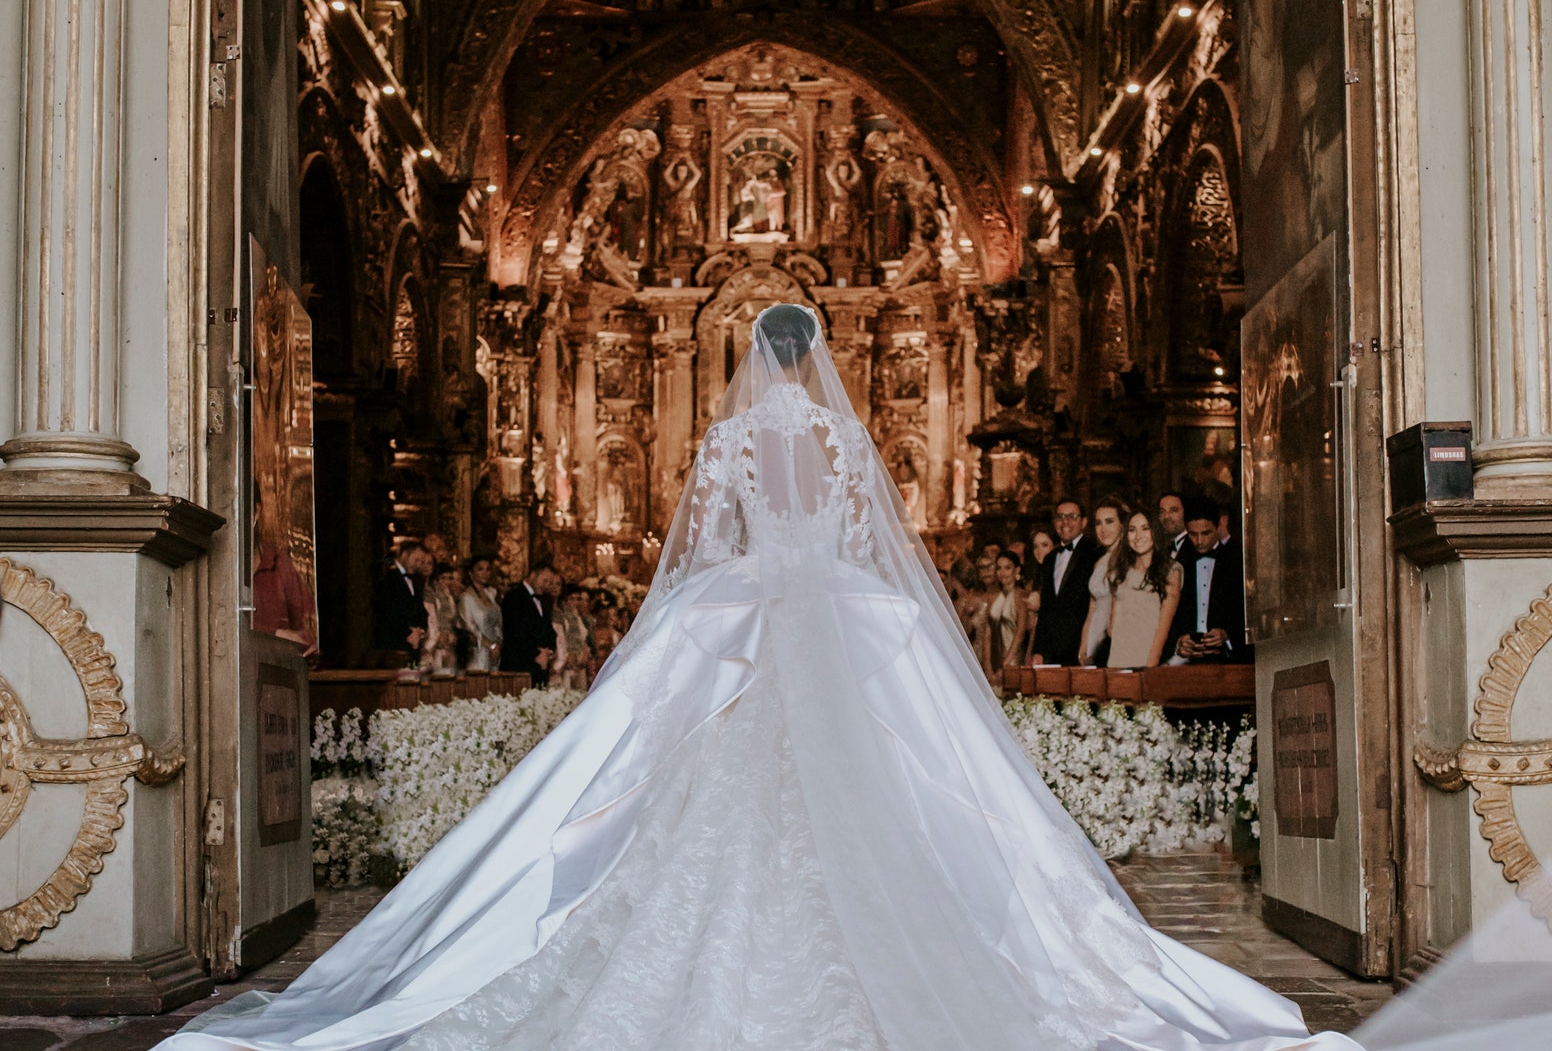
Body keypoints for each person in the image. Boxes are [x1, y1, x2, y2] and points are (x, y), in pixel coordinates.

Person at [158, 305, 1353, 1051]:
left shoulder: (730, 440)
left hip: (743, 617)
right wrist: (813, 570)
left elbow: (712, 545)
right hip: (836, 610)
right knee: (880, 782)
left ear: (750, 362)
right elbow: (853, 535)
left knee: (706, 790)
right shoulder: (840, 440)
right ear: (818, 361)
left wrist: (732, 590)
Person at [1166, 503, 1251, 663]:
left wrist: (1227, 634)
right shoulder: (1177, 564)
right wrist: (1178, 642)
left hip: (1230, 658)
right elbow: (1167, 614)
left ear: (1219, 526)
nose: (1199, 541)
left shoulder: (1237, 560)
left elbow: (1249, 612)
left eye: (1206, 533)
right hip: (1186, 660)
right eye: (1192, 534)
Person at [1106, 510, 1184, 670]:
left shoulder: (1171, 571)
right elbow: (1112, 627)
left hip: (1147, 663)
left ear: (1155, 531)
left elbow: (1163, 628)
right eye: (1132, 530)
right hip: (1116, 662)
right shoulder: (1118, 572)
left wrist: (1149, 669)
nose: (1138, 536)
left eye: (1145, 528)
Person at [1031, 497, 1101, 665]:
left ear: (1083, 522)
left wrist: (1089, 646)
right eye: (1060, 517)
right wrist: (1038, 651)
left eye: (1072, 516)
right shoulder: (1049, 559)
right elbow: (1046, 608)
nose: (1065, 522)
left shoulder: (1095, 552)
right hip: (1053, 651)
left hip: (1083, 647)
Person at [1079, 498, 1129, 666]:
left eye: (1109, 521)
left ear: (1122, 524)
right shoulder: (1099, 561)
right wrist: (1084, 644)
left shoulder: (1129, 561)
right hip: (1094, 635)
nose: (1103, 529)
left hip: (1112, 639)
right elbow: (1092, 607)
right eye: (1098, 523)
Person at [500, 562, 560, 684]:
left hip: (540, 667)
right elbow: (515, 632)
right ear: (533, 575)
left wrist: (549, 652)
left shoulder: (544, 601)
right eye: (545, 580)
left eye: (550, 582)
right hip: (519, 665)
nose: (547, 585)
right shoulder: (513, 597)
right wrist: (538, 654)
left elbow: (550, 631)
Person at [981, 549, 1032, 691]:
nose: (1002, 572)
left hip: (1014, 660)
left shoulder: (1022, 596)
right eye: (999, 568)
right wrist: (988, 667)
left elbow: (1020, 633)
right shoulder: (992, 598)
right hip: (993, 660)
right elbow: (987, 636)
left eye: (1007, 567)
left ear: (1017, 570)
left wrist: (1005, 665)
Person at [372, 541, 429, 666]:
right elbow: (387, 611)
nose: (419, 565)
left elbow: (422, 611)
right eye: (416, 559)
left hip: (413, 646)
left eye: (421, 561)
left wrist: (420, 631)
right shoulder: (386, 576)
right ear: (404, 555)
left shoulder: (416, 581)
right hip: (393, 646)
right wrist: (408, 634)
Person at [457, 554, 502, 671]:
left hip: (494, 652)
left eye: (488, 569)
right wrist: (490, 646)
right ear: (471, 573)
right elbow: (468, 627)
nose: (485, 573)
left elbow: (497, 624)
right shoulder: (466, 597)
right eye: (480, 569)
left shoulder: (491, 594)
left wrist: (498, 644)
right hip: (477, 650)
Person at [424, 561, 464, 676]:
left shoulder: (451, 596)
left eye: (450, 578)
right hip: (437, 640)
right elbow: (433, 618)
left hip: (450, 641)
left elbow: (454, 620)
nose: (447, 582)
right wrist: (439, 636)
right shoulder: (432, 593)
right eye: (443, 578)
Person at [1156, 490, 1189, 556]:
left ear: (1185, 513)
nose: (1166, 517)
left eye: (1173, 510)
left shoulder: (1196, 546)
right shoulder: (1157, 548)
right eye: (1162, 511)